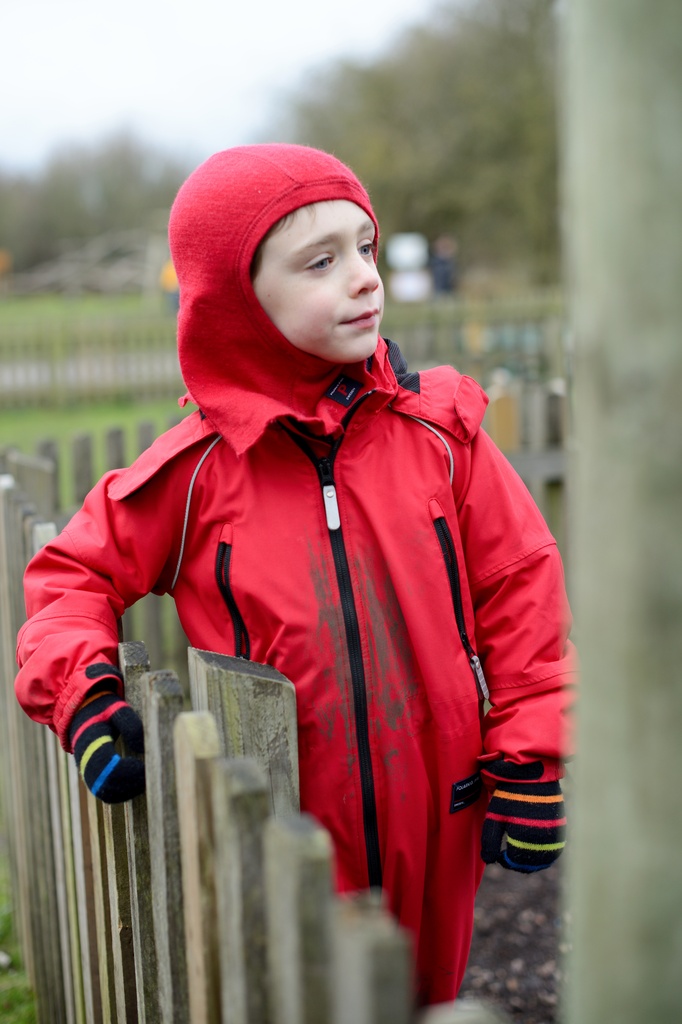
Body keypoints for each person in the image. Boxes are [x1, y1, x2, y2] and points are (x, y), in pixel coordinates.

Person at [15, 144, 575, 1006]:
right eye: (321, 261)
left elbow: (521, 588)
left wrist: (530, 753)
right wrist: (83, 695)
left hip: (445, 804)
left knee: (424, 993)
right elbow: (69, 578)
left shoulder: (441, 434)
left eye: (365, 246)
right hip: (282, 824)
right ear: (236, 301)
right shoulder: (198, 474)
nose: (364, 277)